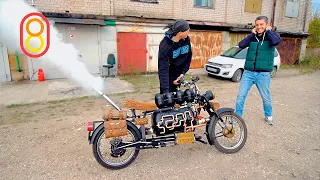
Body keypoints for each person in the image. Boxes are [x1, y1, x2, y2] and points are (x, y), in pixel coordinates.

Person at [235, 16, 281, 125]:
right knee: (240, 96)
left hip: (263, 74)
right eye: (257, 25)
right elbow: (241, 45)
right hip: (248, 73)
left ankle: (268, 115)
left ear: (267, 25)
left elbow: (275, 41)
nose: (259, 27)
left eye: (261, 24)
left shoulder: (273, 36)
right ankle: (237, 117)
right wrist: (252, 34)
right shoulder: (253, 37)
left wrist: (268, 31)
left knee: (265, 97)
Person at [158, 19, 192, 94]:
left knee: (178, 98)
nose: (189, 33)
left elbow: (188, 56)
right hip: (168, 77)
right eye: (188, 31)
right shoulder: (165, 46)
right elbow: (163, 69)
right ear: (180, 33)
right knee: (167, 100)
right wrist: (165, 91)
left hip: (179, 75)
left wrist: (182, 73)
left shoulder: (186, 40)